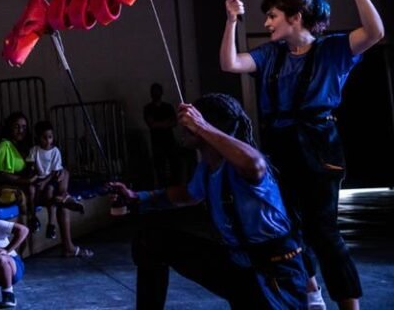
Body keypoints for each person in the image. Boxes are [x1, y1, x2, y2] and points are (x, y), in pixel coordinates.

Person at [220, 0, 384, 310]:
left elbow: (375, 32)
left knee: (323, 232)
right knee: (287, 227)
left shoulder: (333, 50)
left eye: (273, 16)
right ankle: (312, 293)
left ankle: (349, 305)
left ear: (295, 18)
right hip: (279, 147)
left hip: (320, 146)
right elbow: (230, 63)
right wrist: (231, 20)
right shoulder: (270, 54)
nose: (267, 23)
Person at [110, 93, 308, 309]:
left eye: (190, 121)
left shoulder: (244, 163)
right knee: (149, 240)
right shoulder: (206, 168)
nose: (183, 127)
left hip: (274, 271)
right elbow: (187, 195)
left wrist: (201, 126)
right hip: (239, 264)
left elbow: (255, 163)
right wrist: (138, 198)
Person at [0, 112, 92, 258]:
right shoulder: (5, 146)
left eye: (24, 127)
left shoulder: (26, 146)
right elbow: (0, 175)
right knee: (59, 197)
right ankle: (63, 200)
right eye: (17, 127)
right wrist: (26, 181)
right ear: (9, 127)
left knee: (63, 173)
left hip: (36, 185)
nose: (21, 130)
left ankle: (62, 198)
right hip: (24, 190)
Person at [28, 120, 84, 240]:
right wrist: (33, 175)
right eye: (44, 137)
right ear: (38, 137)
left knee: (49, 190)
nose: (48, 140)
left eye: (50, 137)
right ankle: (33, 218)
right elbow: (31, 166)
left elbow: (55, 171)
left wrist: (44, 182)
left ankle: (51, 224)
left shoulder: (55, 151)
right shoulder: (34, 150)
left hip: (50, 178)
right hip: (38, 177)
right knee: (31, 190)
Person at [144, 82, 178, 187]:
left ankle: (174, 187)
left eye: (157, 91)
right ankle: (162, 188)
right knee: (159, 166)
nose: (155, 93)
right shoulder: (148, 108)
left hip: (169, 140)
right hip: (157, 142)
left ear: (161, 93)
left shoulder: (168, 107)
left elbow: (174, 122)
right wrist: (165, 123)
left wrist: (159, 124)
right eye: (154, 91)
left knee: (173, 165)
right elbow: (152, 124)